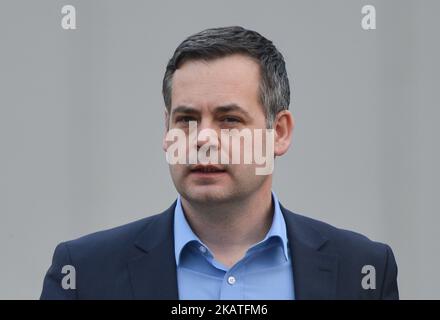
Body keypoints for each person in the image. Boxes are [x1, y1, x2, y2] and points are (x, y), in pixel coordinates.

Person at [41, 26, 399, 299]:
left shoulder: (361, 271)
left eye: (229, 119)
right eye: (186, 119)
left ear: (280, 132)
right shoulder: (83, 273)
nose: (203, 139)